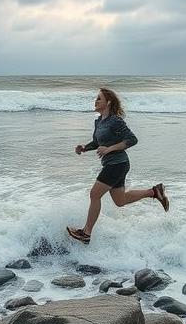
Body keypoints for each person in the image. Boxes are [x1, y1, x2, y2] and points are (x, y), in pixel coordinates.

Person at [66, 87, 169, 245]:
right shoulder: (99, 121)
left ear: (108, 102)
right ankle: (154, 192)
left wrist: (109, 149)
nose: (96, 101)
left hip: (117, 164)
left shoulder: (115, 120)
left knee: (94, 194)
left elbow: (132, 139)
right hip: (115, 164)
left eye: (99, 98)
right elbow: (97, 142)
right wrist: (85, 148)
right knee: (120, 201)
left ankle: (86, 233)